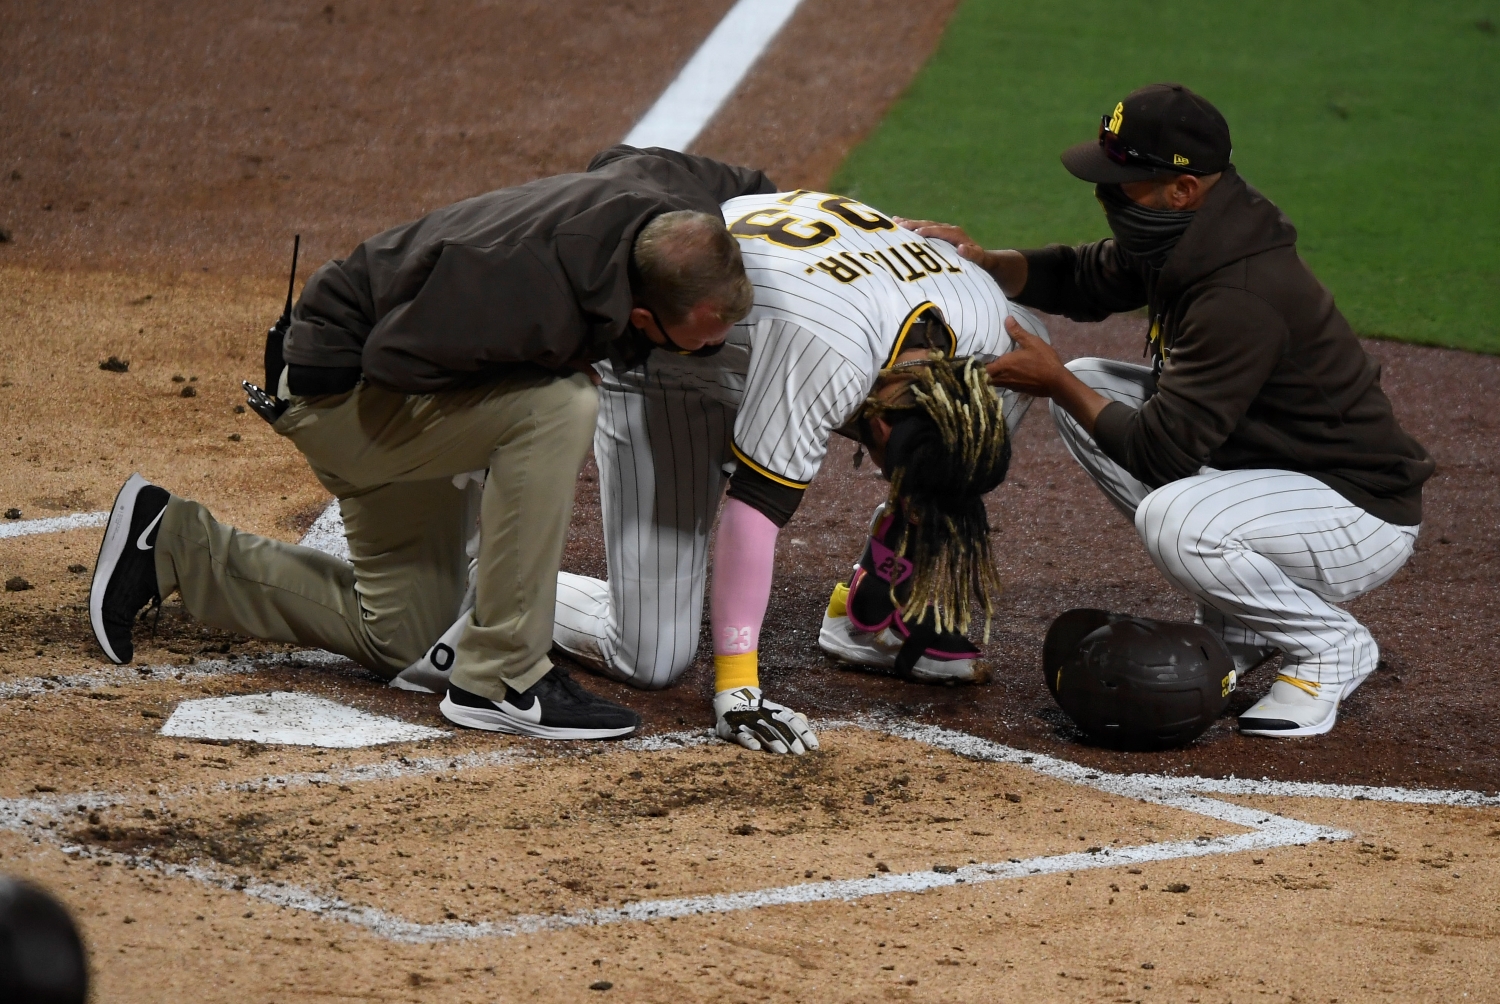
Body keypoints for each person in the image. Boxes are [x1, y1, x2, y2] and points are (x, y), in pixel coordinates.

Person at [88, 145, 775, 741]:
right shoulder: (527, 296)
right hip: (348, 397)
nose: (717, 348)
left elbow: (697, 175)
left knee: (408, 639)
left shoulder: (674, 199)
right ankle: (505, 677)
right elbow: (396, 360)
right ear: (644, 313)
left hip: (395, 376)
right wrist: (497, 436)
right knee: (559, 404)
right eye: (705, 339)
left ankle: (174, 542)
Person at [904, 83, 1433, 738]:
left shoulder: (1238, 292)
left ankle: (1331, 647)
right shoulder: (1195, 233)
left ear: (1181, 189)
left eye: (1125, 180)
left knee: (1173, 517)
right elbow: (1090, 275)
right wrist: (990, 265)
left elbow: (1163, 452)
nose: (1106, 193)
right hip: (1276, 478)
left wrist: (1052, 382)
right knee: (1091, 383)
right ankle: (1239, 623)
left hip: (1353, 512)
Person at [549, 189, 1046, 753]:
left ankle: (875, 612)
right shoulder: (829, 353)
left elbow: (1001, 402)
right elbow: (753, 512)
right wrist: (738, 690)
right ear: (877, 430)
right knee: (649, 656)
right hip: (670, 355)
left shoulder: (998, 335)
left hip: (798, 304)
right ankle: (489, 580)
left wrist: (935, 485)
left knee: (966, 447)